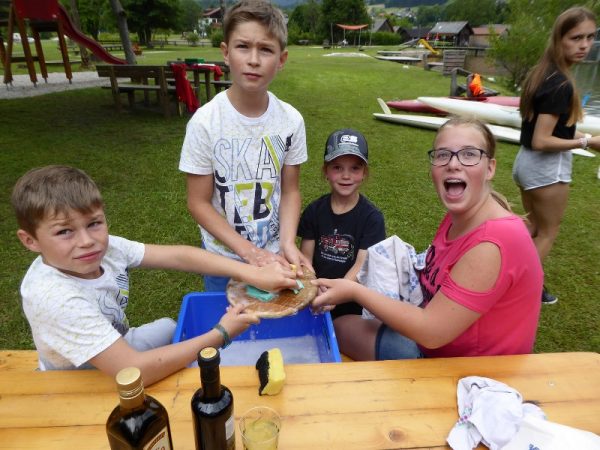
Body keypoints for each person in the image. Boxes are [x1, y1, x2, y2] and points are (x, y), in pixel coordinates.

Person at [11, 165, 298, 385]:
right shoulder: (56, 298)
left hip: (118, 345)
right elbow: (133, 371)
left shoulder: (106, 248)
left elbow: (178, 256)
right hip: (79, 380)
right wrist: (221, 334)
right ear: (30, 241)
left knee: (171, 329)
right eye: (64, 231)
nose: (86, 241)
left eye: (94, 223)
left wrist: (251, 271)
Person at [311, 117, 543, 361]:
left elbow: (432, 333)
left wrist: (355, 292)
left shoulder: (493, 243)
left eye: (469, 154)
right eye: (443, 155)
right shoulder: (459, 218)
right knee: (340, 327)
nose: (453, 164)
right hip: (436, 343)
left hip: (466, 368)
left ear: (490, 168)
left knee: (338, 331)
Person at [179, 0, 310, 292]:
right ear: (226, 52)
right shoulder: (205, 123)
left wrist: (288, 243)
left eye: (265, 49)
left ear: (281, 59)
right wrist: (249, 253)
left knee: (275, 316)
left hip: (274, 252)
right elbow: (198, 202)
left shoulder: (291, 121)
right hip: (222, 258)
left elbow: (290, 190)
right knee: (227, 319)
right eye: (243, 47)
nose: (253, 60)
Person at [512, 6, 600, 304]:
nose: (584, 45)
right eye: (576, 38)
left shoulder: (543, 73)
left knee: (533, 227)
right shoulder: (560, 83)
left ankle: (516, 279)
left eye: (590, 37)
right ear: (559, 38)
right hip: (546, 170)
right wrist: (586, 142)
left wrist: (582, 138)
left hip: (526, 164)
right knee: (547, 232)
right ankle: (520, 290)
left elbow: (553, 131)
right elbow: (542, 140)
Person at [297, 129, 385, 347]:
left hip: (351, 304)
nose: (346, 176)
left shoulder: (372, 218)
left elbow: (361, 266)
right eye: (337, 167)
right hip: (315, 295)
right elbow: (306, 258)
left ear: (364, 173)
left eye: (355, 168)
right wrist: (313, 287)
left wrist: (338, 292)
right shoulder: (314, 211)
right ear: (326, 171)